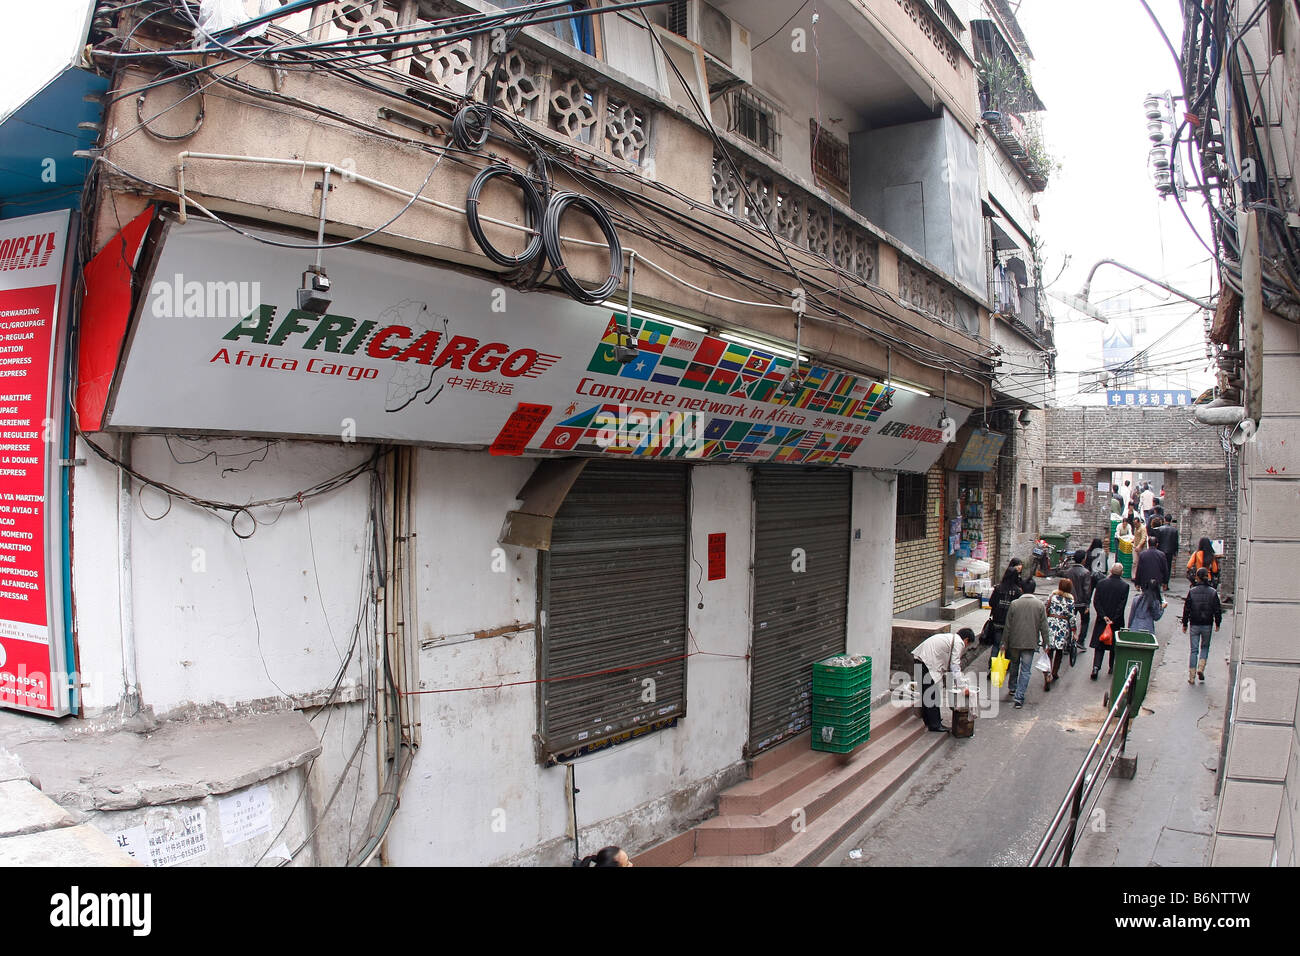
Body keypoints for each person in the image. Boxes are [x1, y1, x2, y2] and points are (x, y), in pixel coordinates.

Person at [912, 628, 973, 732]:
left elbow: (950, 666)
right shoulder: (959, 642)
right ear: (966, 640)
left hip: (921, 659)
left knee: (928, 692)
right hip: (926, 661)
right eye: (968, 644)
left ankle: (929, 720)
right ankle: (935, 725)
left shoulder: (950, 638)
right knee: (932, 694)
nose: (966, 647)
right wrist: (963, 687)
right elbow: (955, 665)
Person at [1002, 578, 1049, 709]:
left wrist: (1004, 643)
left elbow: (1008, 625)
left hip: (1014, 642)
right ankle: (1019, 697)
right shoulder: (1040, 605)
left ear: (1021, 589)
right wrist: (1046, 643)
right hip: (1030, 642)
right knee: (1026, 670)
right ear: (1034, 590)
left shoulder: (1014, 604)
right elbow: (1044, 626)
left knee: (1014, 665)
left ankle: (1012, 688)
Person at [1182, 567, 1223, 684]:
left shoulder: (1192, 591)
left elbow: (1187, 609)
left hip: (1194, 623)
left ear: (1197, 577)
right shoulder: (1213, 592)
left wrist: (1185, 623)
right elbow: (1217, 609)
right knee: (1204, 647)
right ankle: (1201, 667)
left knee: (1193, 650)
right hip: (1207, 624)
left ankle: (1191, 675)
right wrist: (1217, 623)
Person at [1091, 563, 1130, 680]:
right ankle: (1111, 667)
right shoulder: (1124, 586)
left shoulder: (1101, 583)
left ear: (1111, 571)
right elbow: (1121, 606)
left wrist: (1103, 616)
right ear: (1121, 573)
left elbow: (1096, 601)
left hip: (1102, 620)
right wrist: (1113, 619)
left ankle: (1096, 667)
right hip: (1116, 621)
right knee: (1114, 645)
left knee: (1100, 645)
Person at [987, 560, 1025, 659]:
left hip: (997, 621)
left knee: (996, 644)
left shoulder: (998, 588)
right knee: (1007, 646)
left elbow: (991, 603)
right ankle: (1004, 666)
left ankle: (992, 668)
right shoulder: (1017, 591)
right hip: (1010, 623)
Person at [1044, 578, 1076, 688]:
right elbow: (1072, 617)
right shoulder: (1070, 601)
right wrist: (1074, 630)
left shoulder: (1052, 597)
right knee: (1059, 651)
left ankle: (1047, 673)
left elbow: (1045, 607)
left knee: (1049, 650)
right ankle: (1055, 671)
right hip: (1063, 626)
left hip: (1051, 624)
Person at [1065, 548, 1095, 646]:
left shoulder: (1068, 571)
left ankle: (1067, 641)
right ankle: (1081, 641)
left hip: (1070, 601)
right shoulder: (1085, 572)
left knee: (1069, 621)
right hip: (1082, 602)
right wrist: (1087, 604)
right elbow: (1087, 590)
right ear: (1083, 559)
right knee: (1085, 621)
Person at [1155, 515, 1179, 590]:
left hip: (1160, 551)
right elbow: (1176, 542)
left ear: (1165, 519)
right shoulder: (1174, 530)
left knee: (1160, 567)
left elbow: (1157, 541)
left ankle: (1159, 583)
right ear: (1171, 520)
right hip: (1169, 552)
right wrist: (1175, 552)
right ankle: (1166, 584)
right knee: (1168, 568)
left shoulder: (1160, 529)